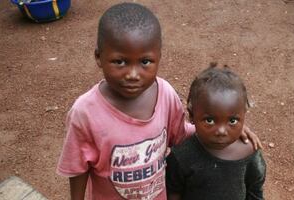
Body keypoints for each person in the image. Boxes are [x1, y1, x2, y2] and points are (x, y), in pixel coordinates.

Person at [57, 3, 261, 200]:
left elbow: (180, 132)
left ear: (159, 57)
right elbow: (77, 167)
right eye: (120, 62)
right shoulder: (85, 112)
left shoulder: (165, 94)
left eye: (145, 62)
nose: (133, 74)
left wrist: (223, 124)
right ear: (99, 57)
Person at [166, 64, 266, 200]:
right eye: (210, 120)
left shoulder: (249, 151)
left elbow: (255, 190)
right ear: (192, 116)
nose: (221, 131)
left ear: (244, 116)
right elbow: (173, 192)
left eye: (232, 121)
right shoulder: (182, 154)